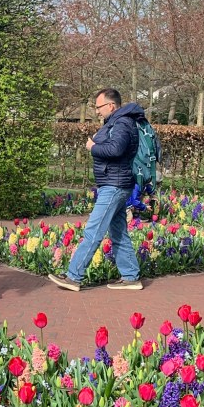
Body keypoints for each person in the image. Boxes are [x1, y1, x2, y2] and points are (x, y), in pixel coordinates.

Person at [48, 88, 144, 292]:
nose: (97, 111)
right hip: (117, 183)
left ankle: (73, 277)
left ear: (111, 105)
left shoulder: (121, 123)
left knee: (94, 230)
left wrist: (93, 147)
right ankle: (130, 277)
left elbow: (116, 149)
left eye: (99, 107)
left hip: (115, 185)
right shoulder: (118, 122)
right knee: (118, 232)